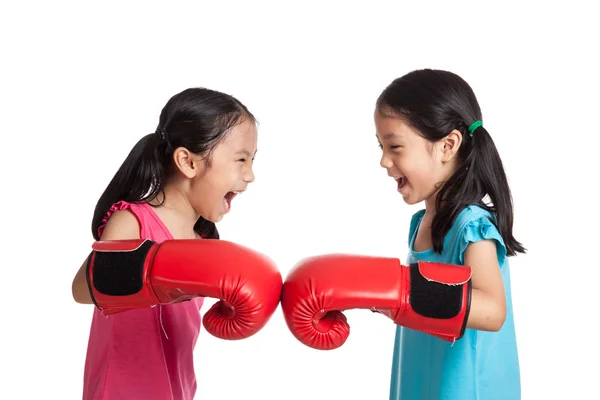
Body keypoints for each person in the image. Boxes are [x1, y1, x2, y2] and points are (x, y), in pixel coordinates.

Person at [279, 69, 525, 400]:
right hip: (422, 381)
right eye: (381, 146)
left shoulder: (471, 225)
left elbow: (493, 311)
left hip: (465, 390)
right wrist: (378, 294)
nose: (383, 160)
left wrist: (397, 289)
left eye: (395, 146)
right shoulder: (423, 222)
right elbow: (420, 304)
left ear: (447, 145)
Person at [71, 87, 282, 400]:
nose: (250, 175)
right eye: (240, 159)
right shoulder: (134, 221)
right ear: (188, 162)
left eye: (252, 160)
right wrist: (158, 269)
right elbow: (82, 289)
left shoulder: (203, 241)